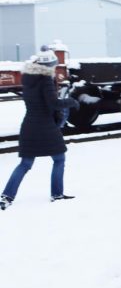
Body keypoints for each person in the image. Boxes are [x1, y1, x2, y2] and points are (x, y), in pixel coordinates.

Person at [1, 51, 80, 210]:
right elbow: (53, 104)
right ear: (49, 66)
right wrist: (71, 101)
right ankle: (57, 194)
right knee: (59, 159)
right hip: (45, 126)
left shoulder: (28, 78)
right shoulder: (45, 80)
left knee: (25, 163)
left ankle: (6, 196)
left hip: (29, 125)